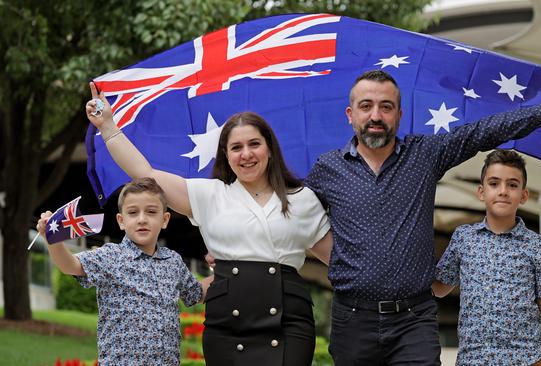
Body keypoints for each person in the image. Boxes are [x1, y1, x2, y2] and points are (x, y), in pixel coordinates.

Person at [304, 70, 541, 365]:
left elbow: (483, 132)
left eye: (385, 107)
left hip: (414, 321)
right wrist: (341, 258)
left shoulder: (424, 155)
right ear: (350, 114)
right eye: (366, 106)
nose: (376, 115)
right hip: (352, 321)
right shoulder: (328, 169)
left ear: (399, 114)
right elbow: (294, 218)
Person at [85, 83, 333, 366]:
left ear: (270, 149)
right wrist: (108, 128)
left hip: (288, 323)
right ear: (226, 156)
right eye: (236, 147)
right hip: (228, 325)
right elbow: (145, 173)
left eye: (254, 144)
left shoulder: (303, 199)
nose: (246, 154)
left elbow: (340, 265)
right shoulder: (210, 194)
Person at [36, 177, 212, 365]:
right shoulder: (111, 256)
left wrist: (230, 265)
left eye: (151, 212)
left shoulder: (173, 261)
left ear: (165, 219)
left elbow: (197, 292)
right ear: (121, 220)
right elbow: (70, 265)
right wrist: (52, 239)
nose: (142, 219)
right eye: (133, 212)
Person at [432, 149, 541, 365]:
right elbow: (440, 288)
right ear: (481, 192)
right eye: (494, 183)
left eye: (513, 185)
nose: (503, 191)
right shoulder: (464, 238)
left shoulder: (539, 246)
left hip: (525, 359)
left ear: (524, 195)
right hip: (473, 359)